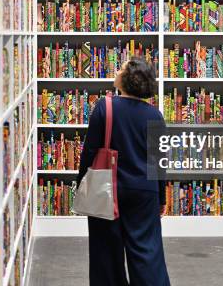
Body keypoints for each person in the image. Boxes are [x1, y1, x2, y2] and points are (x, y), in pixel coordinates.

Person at [76, 57, 171, 286]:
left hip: (108, 189)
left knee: (105, 256)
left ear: (129, 78)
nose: (117, 70)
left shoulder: (105, 107)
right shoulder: (155, 115)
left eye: (122, 67)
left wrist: (81, 183)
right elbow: (159, 161)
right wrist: (161, 196)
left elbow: (89, 152)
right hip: (144, 193)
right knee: (147, 255)